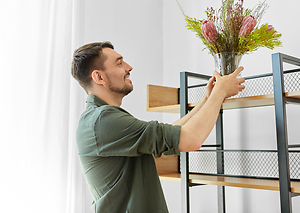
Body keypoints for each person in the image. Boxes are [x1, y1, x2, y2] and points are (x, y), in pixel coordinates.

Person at [71, 41, 245, 213]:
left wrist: (208, 99)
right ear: (98, 77)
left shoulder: (101, 118)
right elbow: (191, 140)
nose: (129, 67)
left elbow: (172, 134)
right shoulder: (103, 120)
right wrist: (220, 91)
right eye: (119, 63)